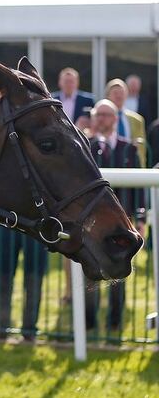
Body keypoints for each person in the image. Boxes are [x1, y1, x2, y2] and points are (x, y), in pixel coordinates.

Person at [84, 99, 144, 337]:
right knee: (91, 272)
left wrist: (140, 218)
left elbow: (139, 188)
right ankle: (88, 324)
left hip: (122, 224)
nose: (102, 119)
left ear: (116, 119)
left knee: (118, 270)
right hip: (92, 225)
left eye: (107, 115)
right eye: (99, 115)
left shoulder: (128, 148)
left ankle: (115, 322)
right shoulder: (84, 148)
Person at [105, 78, 145, 165]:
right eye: (115, 93)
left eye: (122, 93)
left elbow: (141, 150)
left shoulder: (137, 120)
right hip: (108, 164)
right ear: (107, 96)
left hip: (130, 165)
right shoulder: (101, 117)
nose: (119, 96)